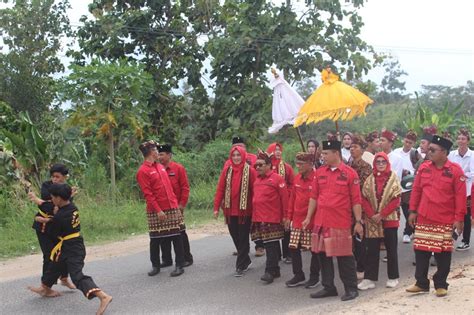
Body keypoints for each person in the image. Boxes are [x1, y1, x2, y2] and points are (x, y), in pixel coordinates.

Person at [28, 183, 112, 315]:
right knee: (56, 263)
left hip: (72, 248)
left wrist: (45, 221)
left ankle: (103, 296)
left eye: (53, 198)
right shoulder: (72, 207)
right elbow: (60, 220)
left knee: (77, 276)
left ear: (59, 199)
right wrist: (52, 218)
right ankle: (45, 288)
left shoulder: (60, 215)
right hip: (72, 243)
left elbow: (53, 232)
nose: (52, 201)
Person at [302, 140, 363, 301]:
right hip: (321, 221)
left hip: (340, 222)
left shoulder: (350, 173)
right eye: (322, 153)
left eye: (326, 153)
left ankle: (351, 288)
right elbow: (314, 197)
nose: (323, 156)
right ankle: (328, 287)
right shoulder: (320, 172)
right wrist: (308, 217)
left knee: (344, 256)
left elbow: (356, 200)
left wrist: (358, 221)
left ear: (336, 153)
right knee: (323, 255)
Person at [406, 135, 466, 297]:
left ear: (444, 152)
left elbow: (460, 197)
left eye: (433, 150)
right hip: (424, 216)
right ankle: (421, 283)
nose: (429, 152)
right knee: (421, 251)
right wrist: (412, 211)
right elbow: (416, 191)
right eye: (429, 149)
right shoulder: (424, 168)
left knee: (443, 253)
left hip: (445, 218)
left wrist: (459, 219)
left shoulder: (455, 170)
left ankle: (441, 284)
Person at [136, 140, 186, 277]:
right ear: (151, 152)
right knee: (155, 239)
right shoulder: (143, 171)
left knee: (177, 236)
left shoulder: (160, 167)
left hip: (171, 206)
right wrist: (158, 210)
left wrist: (175, 204)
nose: (158, 152)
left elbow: (169, 188)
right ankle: (155, 265)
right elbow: (148, 194)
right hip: (157, 210)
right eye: (156, 150)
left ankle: (180, 265)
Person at [27, 163, 75, 290]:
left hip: (57, 227)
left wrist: (40, 201)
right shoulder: (46, 186)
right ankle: (46, 286)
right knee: (48, 255)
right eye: (53, 177)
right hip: (42, 227)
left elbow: (64, 208)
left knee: (63, 253)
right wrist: (43, 202)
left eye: (58, 177)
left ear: (65, 177)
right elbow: (50, 205)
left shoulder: (66, 189)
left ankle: (64, 278)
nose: (55, 179)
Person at [358, 152, 401, 290]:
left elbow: (396, 199)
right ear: (374, 164)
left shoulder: (393, 178)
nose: (381, 164)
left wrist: (381, 214)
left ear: (387, 162)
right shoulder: (369, 179)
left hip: (389, 220)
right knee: (371, 250)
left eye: (383, 161)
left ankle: (393, 277)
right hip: (372, 221)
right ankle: (369, 279)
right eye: (378, 162)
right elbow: (363, 198)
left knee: (391, 249)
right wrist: (372, 215)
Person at [214, 146, 257, 276]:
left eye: (239, 155)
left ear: (243, 156)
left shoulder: (250, 171)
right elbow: (220, 189)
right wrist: (216, 208)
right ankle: (246, 259)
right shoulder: (227, 171)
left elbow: (255, 191)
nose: (236, 158)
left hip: (245, 211)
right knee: (235, 236)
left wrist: (256, 209)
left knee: (243, 237)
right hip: (230, 210)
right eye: (234, 155)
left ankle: (240, 265)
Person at [251, 150, 289, 284]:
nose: (258, 167)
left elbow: (285, 199)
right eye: (256, 165)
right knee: (268, 245)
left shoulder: (277, 179)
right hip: (260, 218)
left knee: (271, 245)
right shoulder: (257, 180)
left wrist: (286, 217)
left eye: (261, 165)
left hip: (272, 218)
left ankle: (269, 271)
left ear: (268, 165)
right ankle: (275, 270)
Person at [285, 152, 321, 288]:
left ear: (310, 164)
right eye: (297, 163)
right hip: (297, 219)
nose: (298, 166)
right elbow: (292, 199)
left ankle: (314, 277)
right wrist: (289, 217)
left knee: (314, 250)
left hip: (312, 221)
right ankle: (298, 275)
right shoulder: (297, 178)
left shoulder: (317, 179)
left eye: (301, 164)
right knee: (293, 247)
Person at [158, 144, 193, 267]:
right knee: (163, 233)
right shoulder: (157, 170)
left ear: (169, 155)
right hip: (163, 207)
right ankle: (167, 260)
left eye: (162, 154)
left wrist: (182, 204)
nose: (159, 157)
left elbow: (185, 188)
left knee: (180, 232)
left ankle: (187, 257)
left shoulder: (178, 168)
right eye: (158, 154)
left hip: (176, 207)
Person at [229, 136, 264, 257]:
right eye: (235, 147)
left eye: (241, 146)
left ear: (245, 147)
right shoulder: (230, 161)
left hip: (252, 194)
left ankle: (259, 246)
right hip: (235, 201)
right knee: (237, 228)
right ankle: (242, 249)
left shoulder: (253, 158)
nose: (238, 149)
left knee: (255, 225)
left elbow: (260, 173)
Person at [348, 134, 372, 279]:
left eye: (355, 147)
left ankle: (362, 267)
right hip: (347, 208)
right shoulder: (347, 166)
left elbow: (367, 190)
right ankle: (353, 264)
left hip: (361, 207)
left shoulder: (366, 167)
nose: (352, 149)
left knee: (360, 239)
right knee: (351, 239)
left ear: (362, 150)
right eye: (351, 147)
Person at [267, 142, 294, 264]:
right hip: (270, 203)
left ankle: (288, 253)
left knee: (285, 227)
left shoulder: (287, 167)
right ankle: (276, 254)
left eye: (279, 150)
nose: (277, 152)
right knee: (273, 228)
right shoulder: (265, 167)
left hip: (284, 200)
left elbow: (292, 184)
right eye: (275, 149)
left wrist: (284, 192)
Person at [393, 130, 420, 244]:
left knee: (408, 211)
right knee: (399, 211)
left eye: (410, 142)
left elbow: (419, 169)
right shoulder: (396, 152)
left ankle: (407, 232)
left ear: (413, 143)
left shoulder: (415, 154)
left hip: (409, 187)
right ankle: (412, 231)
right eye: (406, 141)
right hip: (396, 185)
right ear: (403, 140)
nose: (407, 144)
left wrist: (409, 172)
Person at [448, 128, 473, 251]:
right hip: (453, 189)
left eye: (463, 139)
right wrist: (460, 175)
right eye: (459, 139)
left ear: (468, 141)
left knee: (465, 215)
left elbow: (473, 173)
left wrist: (461, 175)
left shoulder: (472, 155)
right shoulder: (452, 154)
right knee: (452, 213)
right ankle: (450, 237)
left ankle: (465, 240)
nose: (461, 141)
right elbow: (448, 169)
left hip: (467, 190)